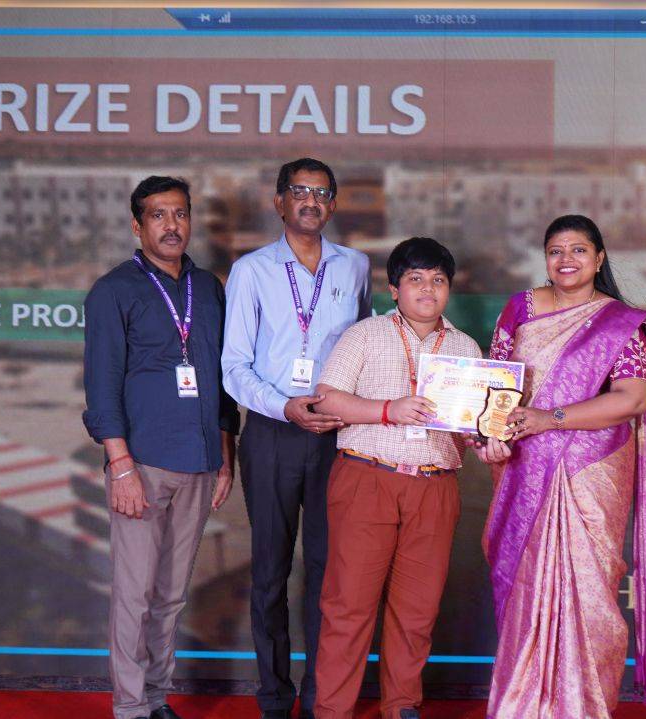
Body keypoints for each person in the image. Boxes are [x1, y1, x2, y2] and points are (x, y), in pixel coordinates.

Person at [474, 215, 646, 718]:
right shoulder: (520, 308)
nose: (566, 259)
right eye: (556, 250)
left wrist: (549, 419)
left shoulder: (622, 323)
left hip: (591, 471)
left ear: (598, 259)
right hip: (524, 467)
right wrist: (488, 435)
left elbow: (633, 399)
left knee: (590, 591)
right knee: (527, 587)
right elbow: (495, 387)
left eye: (578, 250)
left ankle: (583, 707)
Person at [83, 176, 239, 719]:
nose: (171, 226)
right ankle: (129, 707)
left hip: (201, 461)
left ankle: (156, 697)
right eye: (158, 215)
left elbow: (221, 378)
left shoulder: (209, 288)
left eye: (180, 214)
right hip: (142, 464)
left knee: (172, 594)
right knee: (135, 594)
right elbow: (102, 385)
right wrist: (120, 465)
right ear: (137, 225)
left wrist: (225, 454)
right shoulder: (113, 291)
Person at [222, 158, 372, 719]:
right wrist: (284, 406)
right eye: (300, 191)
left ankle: (321, 698)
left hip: (336, 436)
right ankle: (274, 697)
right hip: (273, 433)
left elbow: (365, 346)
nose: (311, 200)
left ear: (333, 204)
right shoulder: (252, 271)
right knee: (270, 572)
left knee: (330, 572)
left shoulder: (355, 266)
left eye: (322, 192)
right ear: (279, 201)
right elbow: (234, 366)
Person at [310, 237, 481, 719]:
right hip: (368, 478)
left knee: (418, 610)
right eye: (416, 279)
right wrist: (389, 410)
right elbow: (327, 400)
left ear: (449, 289)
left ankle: (402, 705)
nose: (428, 288)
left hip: (435, 485)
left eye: (438, 280)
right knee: (348, 606)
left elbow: (472, 425)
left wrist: (488, 438)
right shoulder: (364, 335)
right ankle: (332, 711)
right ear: (394, 289)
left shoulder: (466, 348)